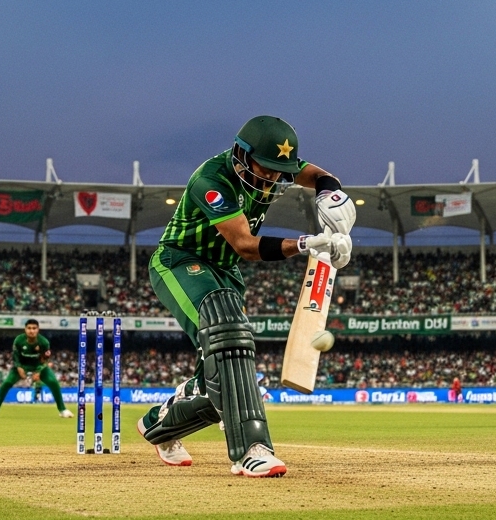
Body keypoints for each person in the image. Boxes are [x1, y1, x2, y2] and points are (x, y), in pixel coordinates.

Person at [136, 115, 354, 476]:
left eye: (277, 171)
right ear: (241, 154)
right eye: (264, 168)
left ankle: (159, 425)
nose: (270, 178)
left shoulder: (275, 166)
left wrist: (330, 194)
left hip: (225, 272)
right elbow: (245, 245)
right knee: (229, 335)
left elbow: (315, 174)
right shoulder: (212, 180)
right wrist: (306, 243)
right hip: (180, 261)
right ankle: (251, 449)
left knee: (219, 376)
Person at [0, 319, 72, 419]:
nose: (31, 331)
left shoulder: (44, 342)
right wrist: (19, 367)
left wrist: (38, 371)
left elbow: (45, 359)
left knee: (54, 382)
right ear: (25, 329)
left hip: (38, 365)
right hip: (22, 365)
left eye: (34, 328)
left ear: (38, 330)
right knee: (7, 383)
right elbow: (15, 356)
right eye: (29, 328)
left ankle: (63, 410)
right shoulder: (19, 340)